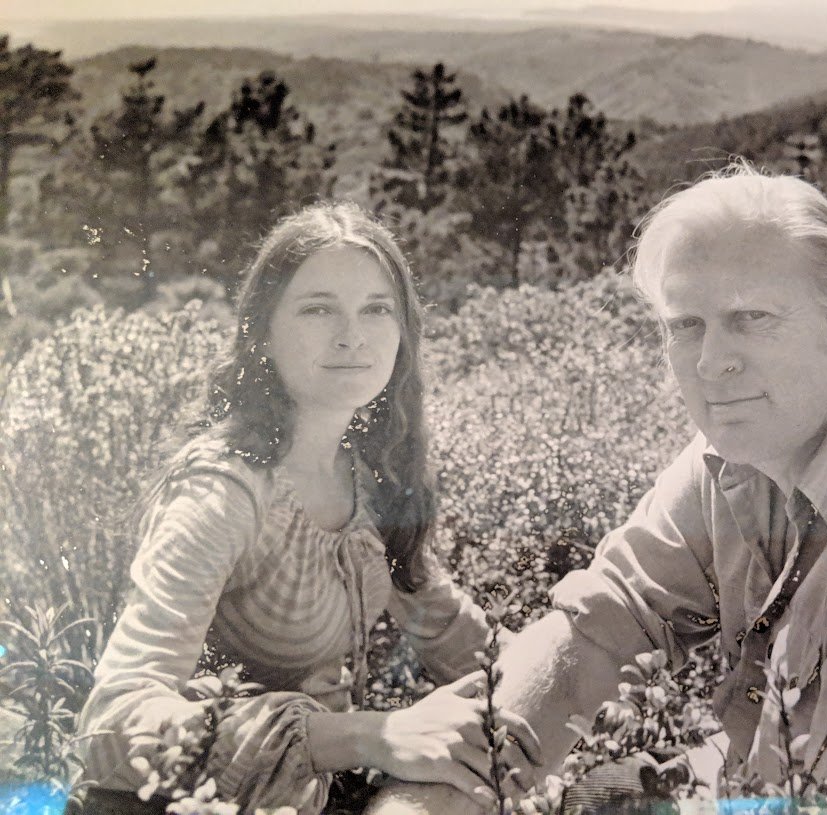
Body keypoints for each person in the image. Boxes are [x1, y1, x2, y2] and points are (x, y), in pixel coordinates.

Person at [365, 163, 827, 815]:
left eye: (751, 319)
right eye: (686, 325)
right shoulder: (751, 448)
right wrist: (432, 792)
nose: (712, 362)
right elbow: (603, 620)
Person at [69, 202, 539, 815]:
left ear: (403, 334)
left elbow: (455, 636)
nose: (353, 335)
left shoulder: (373, 476)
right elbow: (111, 722)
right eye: (319, 309)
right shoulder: (225, 493)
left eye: (377, 309)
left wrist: (573, 693)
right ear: (262, 333)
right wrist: (372, 737)